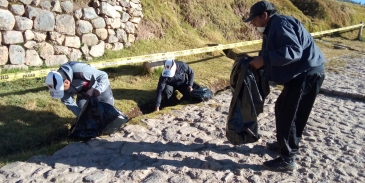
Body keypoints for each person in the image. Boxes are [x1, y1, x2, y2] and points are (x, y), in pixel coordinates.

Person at [243, 1, 326, 171]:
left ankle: (288, 158)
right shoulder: (273, 27)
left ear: (264, 15)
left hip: (306, 74)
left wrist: (264, 60)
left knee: (290, 114)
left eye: (254, 20)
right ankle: (285, 144)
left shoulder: (281, 23)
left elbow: (293, 51)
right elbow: (271, 52)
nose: (253, 23)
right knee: (283, 107)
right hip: (301, 74)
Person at [45, 61, 123, 118]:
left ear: (66, 82)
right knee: (84, 112)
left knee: (108, 111)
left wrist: (99, 89)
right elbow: (70, 104)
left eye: (61, 89)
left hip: (98, 87)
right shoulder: (58, 85)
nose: (62, 92)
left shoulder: (81, 70)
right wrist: (82, 117)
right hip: (83, 93)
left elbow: (103, 76)